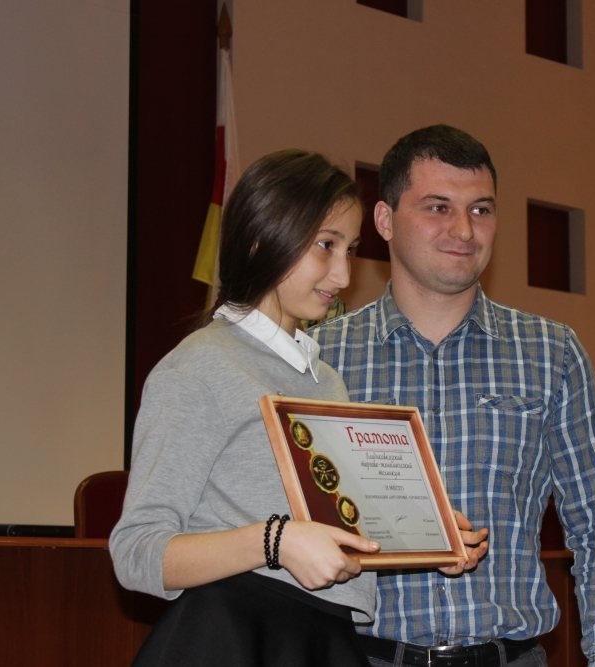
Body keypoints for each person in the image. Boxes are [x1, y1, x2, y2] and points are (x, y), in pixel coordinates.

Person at [310, 124, 595, 666]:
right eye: (438, 207)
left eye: (481, 210)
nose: (464, 229)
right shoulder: (323, 354)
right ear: (385, 220)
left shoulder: (552, 352)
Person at [110, 149, 382, 666]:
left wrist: (422, 528)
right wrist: (274, 542)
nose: (344, 275)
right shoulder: (199, 368)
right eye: (326, 245)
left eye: (350, 250)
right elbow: (136, 552)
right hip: (235, 635)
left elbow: (331, 529)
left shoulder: (326, 380)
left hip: (324, 636)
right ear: (262, 238)